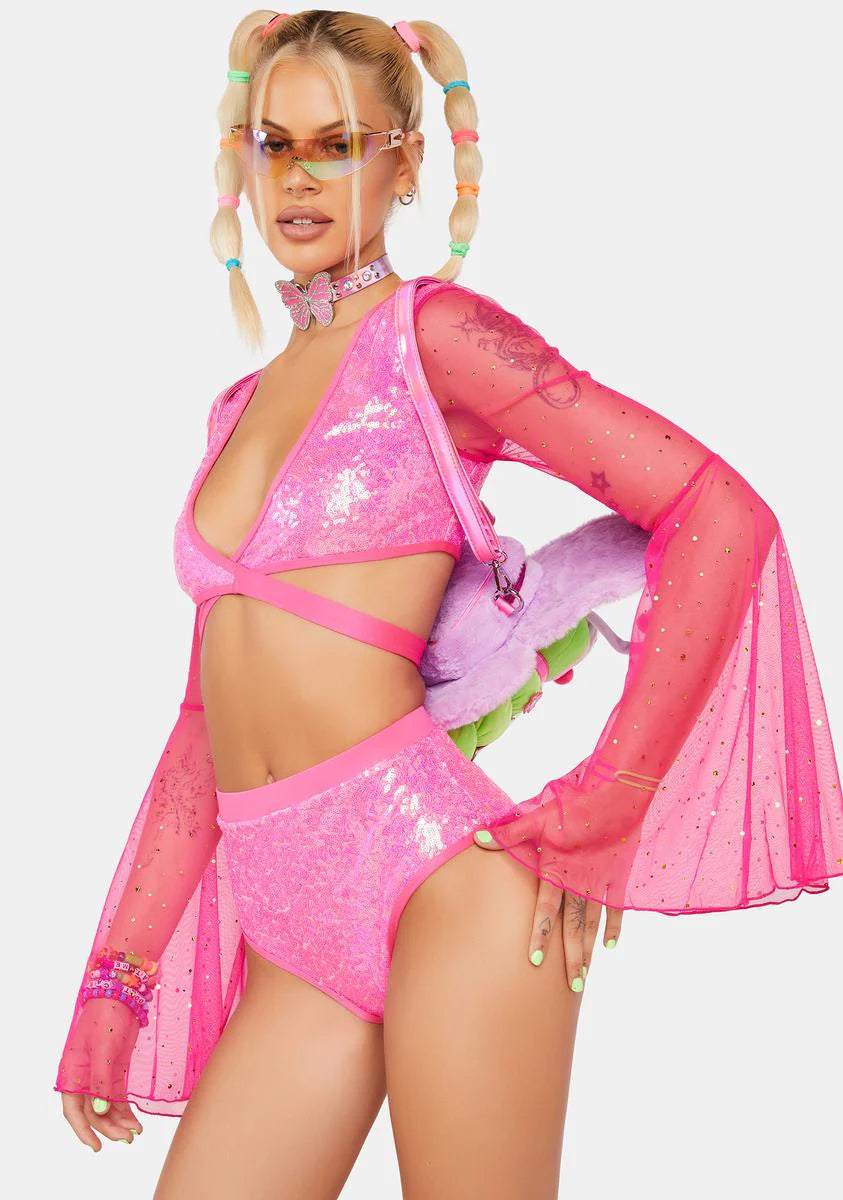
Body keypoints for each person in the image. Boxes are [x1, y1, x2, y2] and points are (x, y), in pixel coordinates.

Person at [56, 10, 843, 1198]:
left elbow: (717, 510)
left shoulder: (434, 339)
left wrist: (616, 794)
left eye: (339, 144)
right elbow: (202, 725)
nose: (300, 178)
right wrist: (116, 980)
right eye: (274, 144)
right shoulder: (234, 409)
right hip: (290, 927)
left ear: (407, 162)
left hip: (443, 880)